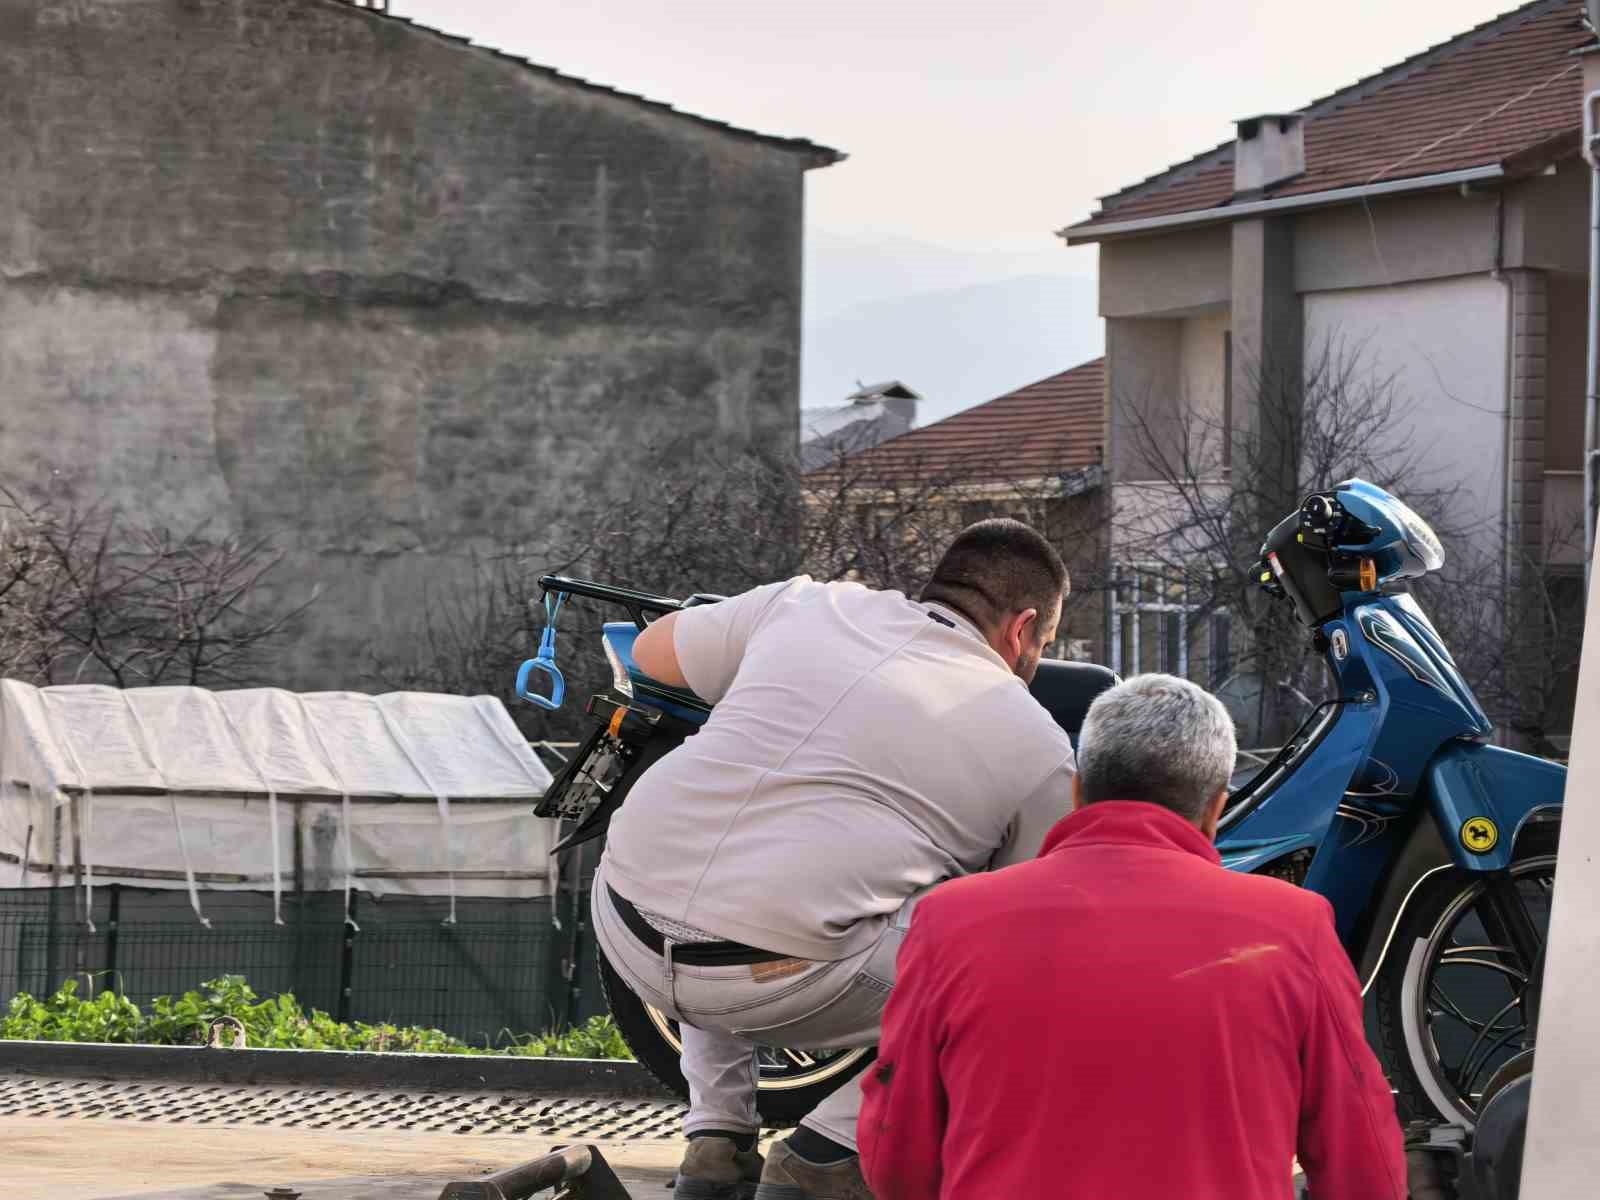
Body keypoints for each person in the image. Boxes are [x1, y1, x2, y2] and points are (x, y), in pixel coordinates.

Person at [590, 519, 1078, 1200]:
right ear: (1023, 629)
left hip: (624, 920)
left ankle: (716, 1142)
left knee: (734, 849)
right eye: (1045, 644)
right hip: (777, 975)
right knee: (1016, 960)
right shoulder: (1037, 744)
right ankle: (830, 1148)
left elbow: (650, 650)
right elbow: (1032, 917)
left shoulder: (808, 602)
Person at [859, 673, 1408, 1200]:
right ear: (1216, 809)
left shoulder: (951, 922)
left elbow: (898, 1152)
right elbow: (1363, 1163)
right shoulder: (1294, 928)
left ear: (1077, 792)